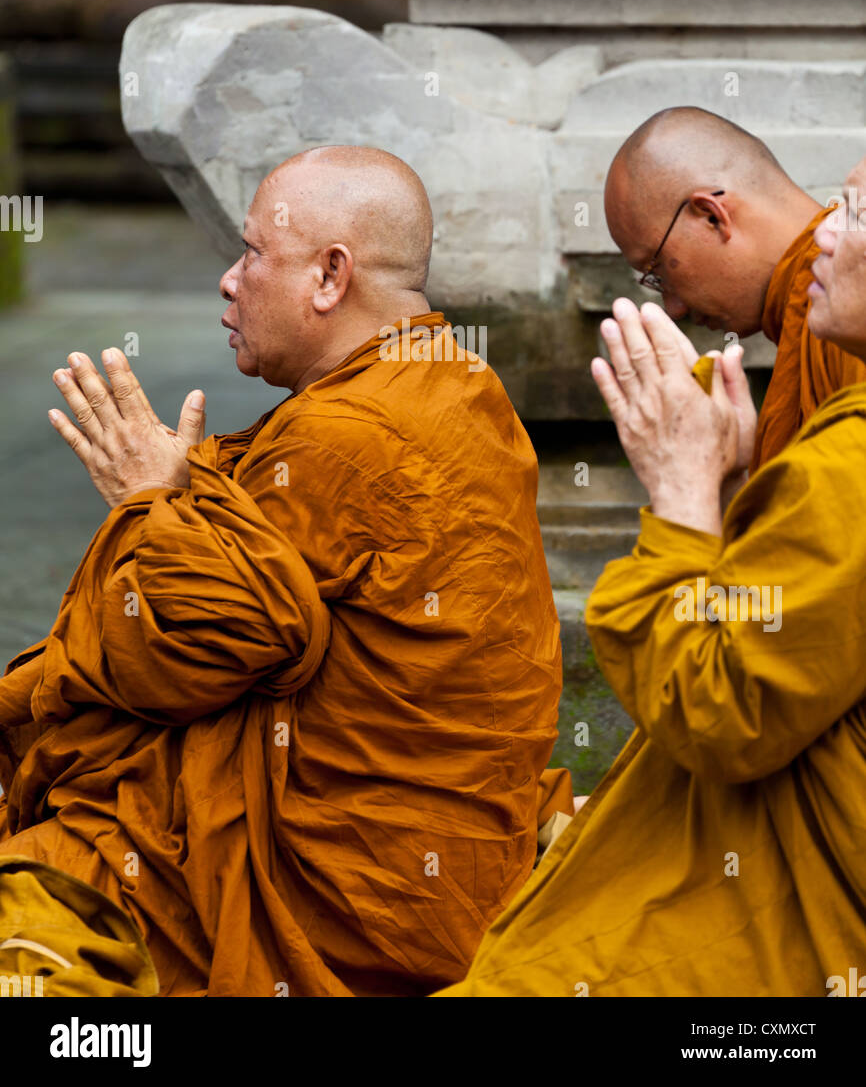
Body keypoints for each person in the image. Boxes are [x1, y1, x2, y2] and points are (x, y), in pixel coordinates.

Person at [0, 145, 565, 998]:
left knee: (40, 914)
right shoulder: (461, 384)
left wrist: (147, 503)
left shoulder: (350, 435)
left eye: (254, 253)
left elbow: (187, 660)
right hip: (449, 859)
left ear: (330, 276)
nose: (229, 281)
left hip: (345, 892)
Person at [436, 165, 866, 996]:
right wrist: (738, 494)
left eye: (852, 212)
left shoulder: (851, 459)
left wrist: (680, 492)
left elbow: (720, 713)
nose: (827, 230)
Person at [605, 105, 866, 468]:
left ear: (712, 217)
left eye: (659, 272)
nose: (674, 307)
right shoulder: (809, 319)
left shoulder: (852, 318)